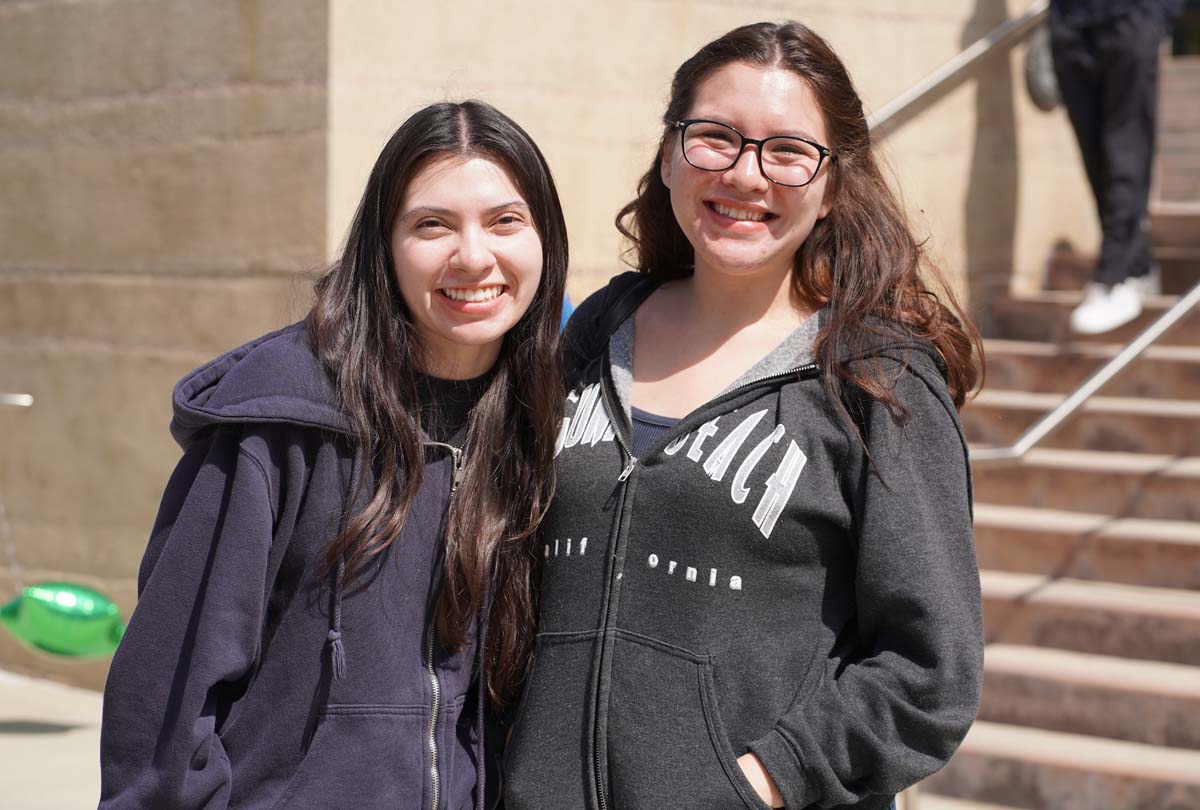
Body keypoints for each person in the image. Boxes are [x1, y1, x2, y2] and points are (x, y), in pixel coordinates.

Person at [503, 21, 984, 810]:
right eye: (715, 137)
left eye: (788, 150)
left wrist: (756, 784)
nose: (746, 173)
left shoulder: (878, 378)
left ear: (831, 183)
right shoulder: (595, 333)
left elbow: (931, 671)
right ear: (669, 155)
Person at [98, 100, 568, 810]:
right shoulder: (282, 417)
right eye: (431, 224)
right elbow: (167, 693)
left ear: (546, 242)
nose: (474, 256)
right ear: (383, 245)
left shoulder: (539, 424)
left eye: (505, 221)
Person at [1050, 0, 1184, 334]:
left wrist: (1157, 15)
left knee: (1125, 151)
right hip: (1070, 23)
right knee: (1095, 157)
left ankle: (1114, 278)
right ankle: (1137, 267)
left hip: (1133, 15)